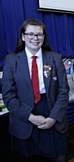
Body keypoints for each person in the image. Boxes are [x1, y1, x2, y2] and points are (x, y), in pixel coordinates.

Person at [2, 19, 69, 162]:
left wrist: (53, 117)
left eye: (39, 34)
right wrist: (30, 117)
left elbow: (63, 91)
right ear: (23, 36)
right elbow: (8, 96)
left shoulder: (55, 58)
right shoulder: (11, 60)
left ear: (43, 37)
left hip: (51, 111)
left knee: (60, 158)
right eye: (31, 34)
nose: (35, 38)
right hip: (24, 115)